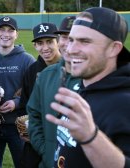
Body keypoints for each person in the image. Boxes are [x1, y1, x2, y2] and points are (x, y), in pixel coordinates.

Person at [45, 7, 130, 168]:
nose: (70, 50)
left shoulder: (125, 103)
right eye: (71, 40)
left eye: (85, 41)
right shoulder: (82, 87)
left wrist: (91, 137)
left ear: (114, 48)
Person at [26, 16, 81, 168]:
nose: (70, 44)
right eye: (65, 37)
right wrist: (47, 151)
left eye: (78, 38)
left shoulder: (97, 78)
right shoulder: (45, 75)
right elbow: (34, 115)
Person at [0, 16, 36, 168]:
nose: (5, 34)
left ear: (16, 34)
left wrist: (17, 102)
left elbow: (35, 93)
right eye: (2, 30)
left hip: (18, 126)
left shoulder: (27, 60)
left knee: (23, 164)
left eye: (10, 30)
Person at [18, 22, 61, 168]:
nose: (45, 47)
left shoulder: (71, 68)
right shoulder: (31, 71)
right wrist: (27, 127)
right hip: (36, 140)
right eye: (40, 43)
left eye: (50, 41)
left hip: (62, 139)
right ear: (35, 46)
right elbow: (25, 106)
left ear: (58, 41)